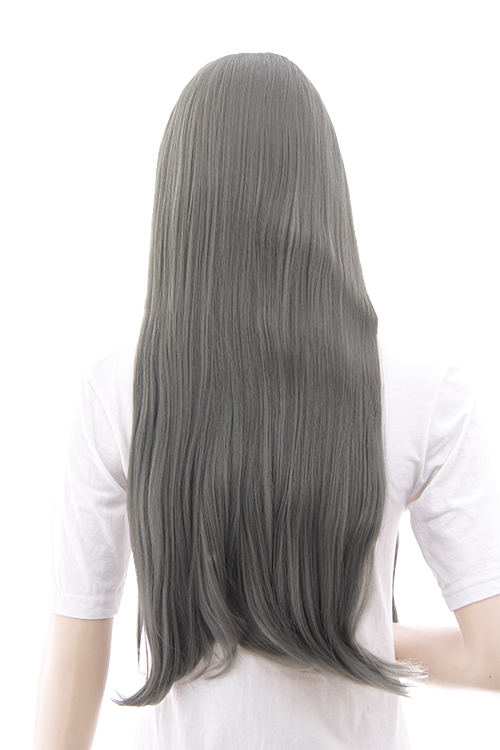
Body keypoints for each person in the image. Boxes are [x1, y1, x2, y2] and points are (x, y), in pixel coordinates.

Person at [33, 52, 500, 750]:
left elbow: (76, 649)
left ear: (182, 199)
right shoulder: (425, 385)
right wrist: (343, 636)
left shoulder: (118, 385)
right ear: (323, 191)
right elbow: (491, 654)